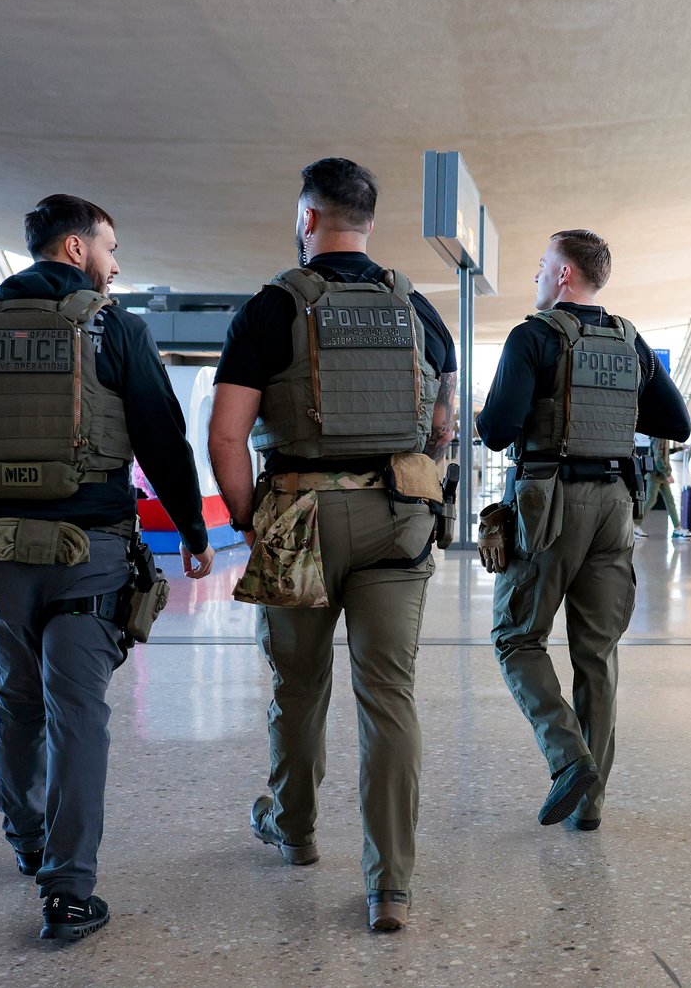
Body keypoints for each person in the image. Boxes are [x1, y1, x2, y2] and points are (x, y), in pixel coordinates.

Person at [0, 194, 215, 941]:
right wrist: (195, 530)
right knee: (78, 712)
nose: (115, 264)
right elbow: (162, 438)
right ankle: (69, 890)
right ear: (75, 248)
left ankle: (28, 840)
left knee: (17, 698)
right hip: (91, 552)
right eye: (110, 249)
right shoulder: (114, 327)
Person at [208, 158, 457, 934]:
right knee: (389, 696)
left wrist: (254, 519)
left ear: (307, 218)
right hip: (397, 515)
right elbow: (444, 421)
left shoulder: (271, 308)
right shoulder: (416, 307)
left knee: (298, 686)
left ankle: (297, 830)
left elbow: (223, 434)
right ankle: (391, 886)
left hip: (300, 514)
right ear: (369, 222)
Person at [476, 229, 689, 831]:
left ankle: (569, 758)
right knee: (596, 652)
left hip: (550, 506)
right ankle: (590, 806)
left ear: (564, 274)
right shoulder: (631, 341)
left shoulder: (533, 336)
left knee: (517, 638)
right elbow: (676, 421)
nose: (538, 275)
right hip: (617, 508)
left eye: (542, 264)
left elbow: (496, 429)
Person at [634, 434, 691, 540]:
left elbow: (665, 453)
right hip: (656, 475)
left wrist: (679, 448)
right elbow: (658, 458)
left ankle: (677, 529)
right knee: (650, 501)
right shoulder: (660, 437)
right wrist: (667, 474)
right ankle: (634, 526)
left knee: (670, 501)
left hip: (660, 475)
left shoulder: (661, 437)